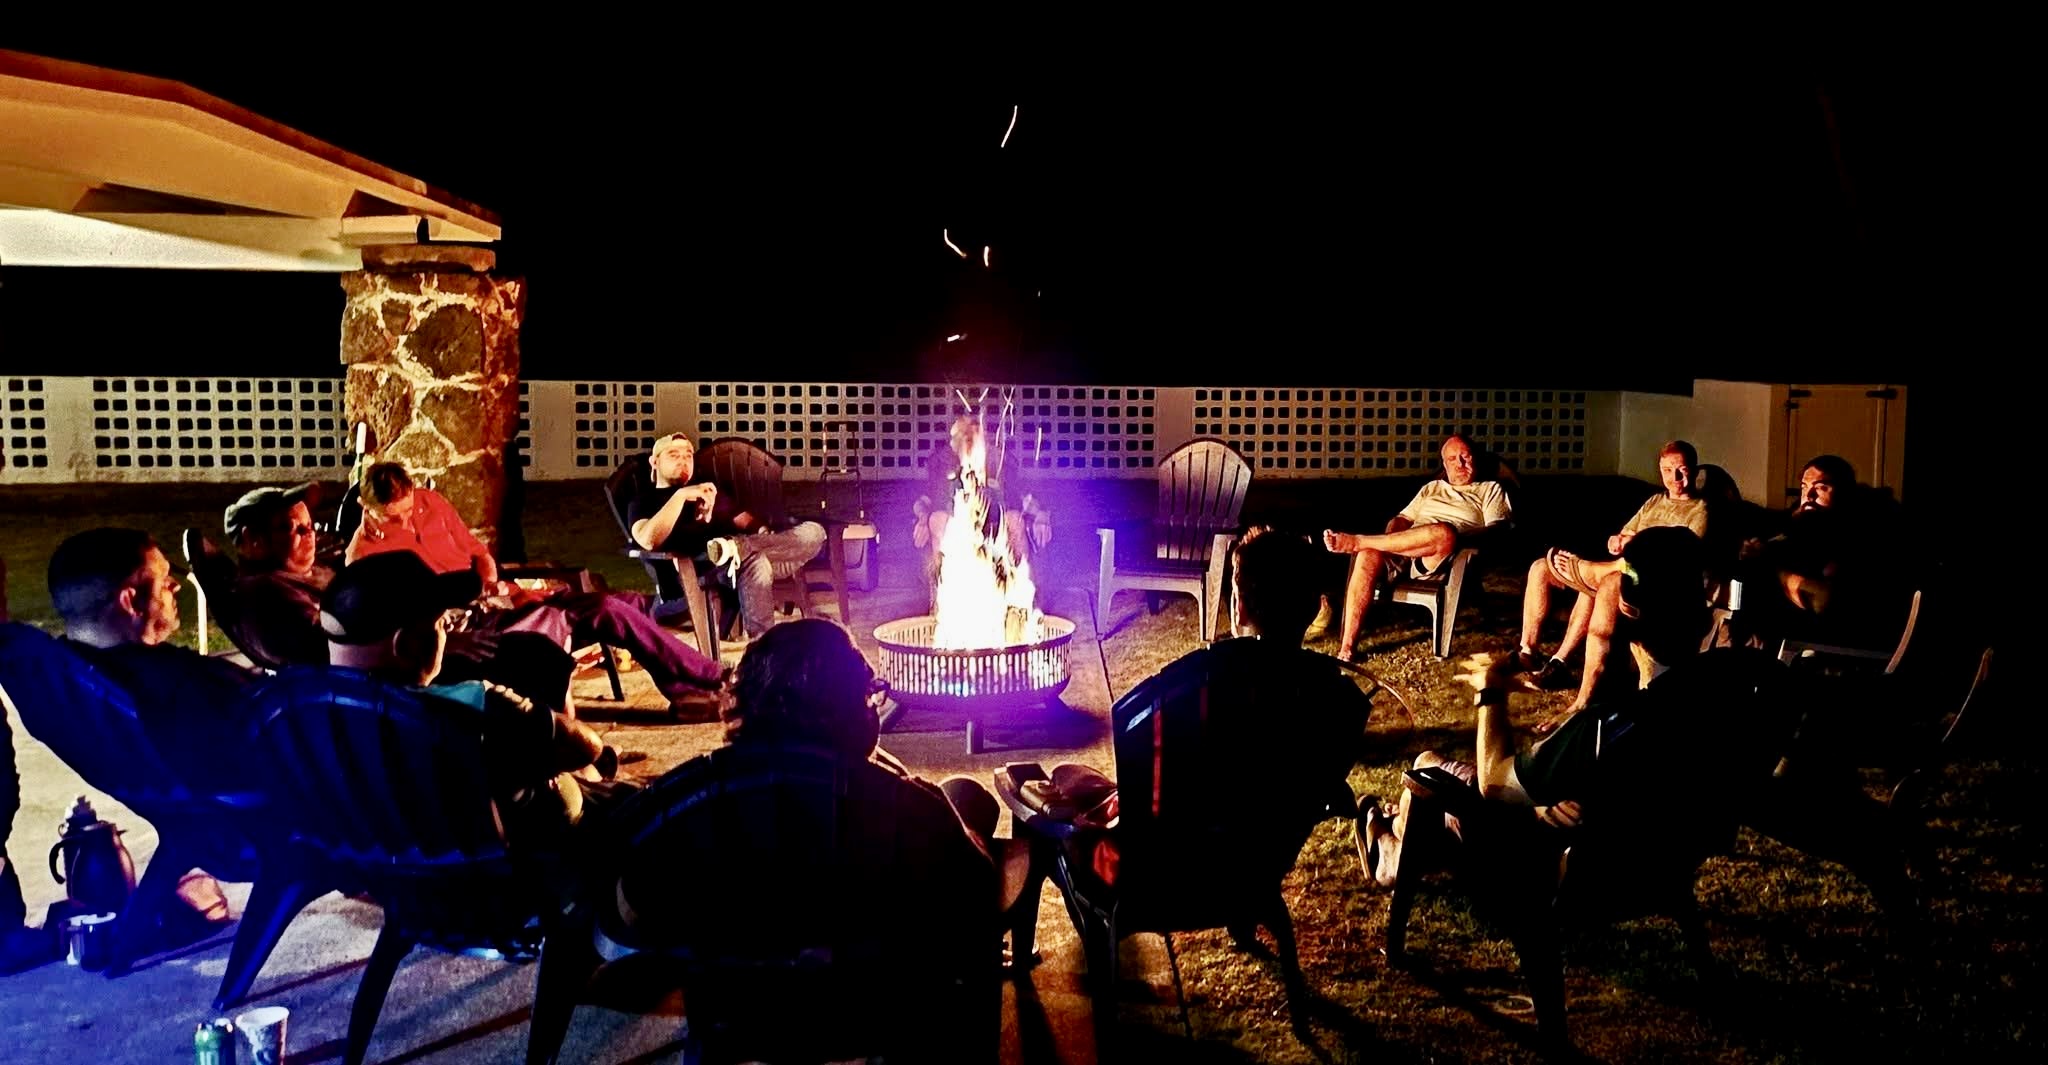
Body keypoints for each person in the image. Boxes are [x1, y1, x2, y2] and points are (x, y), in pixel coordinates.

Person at [1358, 526, 1777, 888]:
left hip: (1568, 874)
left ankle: (1396, 846)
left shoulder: (1609, 727)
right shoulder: (1738, 691)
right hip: (1667, 861)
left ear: (1626, 611)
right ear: (1702, 617)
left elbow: (1495, 785)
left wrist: (1490, 689)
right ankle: (1400, 833)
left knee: (1429, 767)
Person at [1020, 526, 1374, 889]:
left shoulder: (1191, 691)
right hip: (1255, 876)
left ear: (1240, 608)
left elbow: (1150, 794)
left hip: (1157, 878)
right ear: (1314, 607)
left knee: (1042, 796)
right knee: (1071, 777)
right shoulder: (1339, 704)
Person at [613, 618, 997, 934]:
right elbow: (978, 887)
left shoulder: (685, 801)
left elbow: (629, 906)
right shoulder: (906, 806)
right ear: (852, 707)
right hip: (873, 991)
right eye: (870, 695)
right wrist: (932, 802)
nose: (875, 707)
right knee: (967, 795)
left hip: (732, 994)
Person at [346, 462, 726, 710]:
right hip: (474, 630)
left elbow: (478, 552)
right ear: (367, 507)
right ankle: (704, 684)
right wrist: (456, 630)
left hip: (504, 603)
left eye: (410, 508)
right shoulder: (363, 556)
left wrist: (490, 582)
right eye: (395, 517)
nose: (408, 519)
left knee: (612, 607)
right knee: (599, 612)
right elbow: (395, 629)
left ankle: (698, 685)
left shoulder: (431, 503)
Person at [309, 551, 626, 848]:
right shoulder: (464, 705)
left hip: (381, 868)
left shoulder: (302, 720)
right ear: (406, 644)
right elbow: (584, 748)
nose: (444, 635)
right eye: (440, 624)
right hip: (532, 860)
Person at [219, 485, 602, 714]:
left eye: (309, 525)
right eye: (293, 529)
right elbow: (334, 651)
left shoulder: (299, 572)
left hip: (409, 645)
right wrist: (438, 642)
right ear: (252, 540)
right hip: (386, 677)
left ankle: (563, 746)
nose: (310, 535)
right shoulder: (266, 595)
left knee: (539, 640)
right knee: (536, 656)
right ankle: (559, 757)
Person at [1516, 440, 1709, 689]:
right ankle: (1528, 651)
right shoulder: (1655, 501)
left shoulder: (1701, 509)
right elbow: (1625, 533)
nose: (1675, 477)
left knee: (1604, 582)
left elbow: (1683, 555)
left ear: (1694, 470)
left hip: (1650, 579)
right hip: (1623, 563)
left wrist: (1634, 543)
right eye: (1667, 470)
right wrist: (1617, 540)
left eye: (1682, 469)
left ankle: (1560, 661)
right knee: (1541, 568)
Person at [1322, 434, 1513, 661]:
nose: (1460, 464)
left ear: (1475, 459)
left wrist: (1459, 538)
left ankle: (1359, 541)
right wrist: (1392, 536)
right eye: (1452, 459)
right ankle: (1347, 649)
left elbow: (1496, 530)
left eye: (1465, 457)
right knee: (1367, 555)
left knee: (1443, 532)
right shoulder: (1432, 488)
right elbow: (1403, 518)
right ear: (1444, 464)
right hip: (1406, 548)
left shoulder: (1490, 489)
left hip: (1442, 557)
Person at [628, 432, 827, 642]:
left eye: (688, 455)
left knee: (814, 532)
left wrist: (763, 533)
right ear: (655, 462)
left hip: (749, 559)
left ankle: (735, 548)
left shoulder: (708, 493)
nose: (683, 461)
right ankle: (763, 643)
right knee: (756, 561)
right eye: (674, 455)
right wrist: (681, 495)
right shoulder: (643, 502)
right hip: (704, 572)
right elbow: (648, 540)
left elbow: (749, 522)